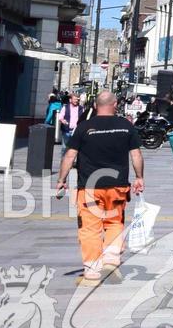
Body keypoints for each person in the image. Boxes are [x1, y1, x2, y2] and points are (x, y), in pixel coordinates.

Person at [53, 90, 144, 284]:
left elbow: (70, 155)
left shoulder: (85, 127)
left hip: (89, 187)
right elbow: (136, 155)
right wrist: (139, 177)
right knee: (114, 223)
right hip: (118, 186)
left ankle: (93, 271)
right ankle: (111, 261)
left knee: (90, 228)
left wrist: (61, 180)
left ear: (95, 105)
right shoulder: (125, 126)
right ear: (116, 104)